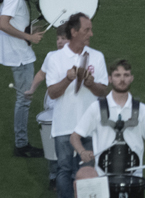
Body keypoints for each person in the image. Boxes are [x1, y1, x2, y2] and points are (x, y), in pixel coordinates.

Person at [45, 13, 109, 198]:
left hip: (88, 126)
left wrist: (90, 83)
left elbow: (102, 91)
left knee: (87, 172)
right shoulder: (55, 58)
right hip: (64, 125)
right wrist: (67, 79)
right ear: (74, 32)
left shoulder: (97, 57)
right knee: (64, 170)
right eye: (86, 30)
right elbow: (52, 93)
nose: (91, 34)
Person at [71, 60, 145, 180]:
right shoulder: (96, 108)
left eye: (126, 75)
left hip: (134, 178)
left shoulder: (142, 109)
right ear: (110, 79)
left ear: (131, 78)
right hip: (102, 178)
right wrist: (82, 152)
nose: (122, 79)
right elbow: (75, 136)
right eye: (117, 75)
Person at [0, 0, 45, 158]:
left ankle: (21, 142)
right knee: (24, 98)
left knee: (23, 98)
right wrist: (29, 37)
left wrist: (28, 34)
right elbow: (2, 24)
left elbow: (0, 20)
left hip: (18, 49)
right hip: (19, 54)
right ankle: (21, 145)